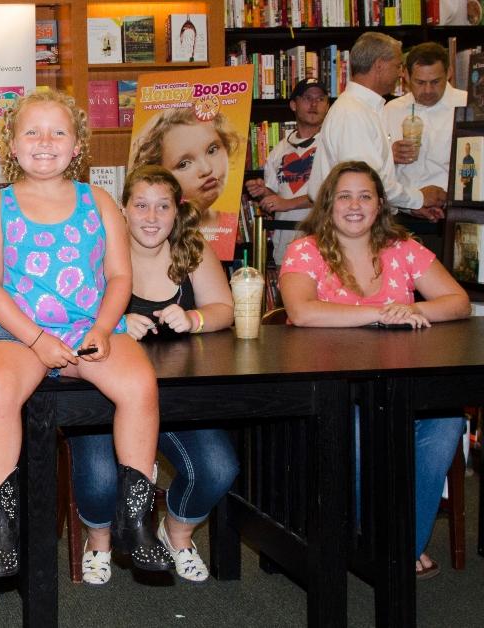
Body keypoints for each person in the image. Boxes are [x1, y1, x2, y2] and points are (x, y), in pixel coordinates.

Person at [0, 89, 170, 578]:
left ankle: (136, 517)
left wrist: (103, 327)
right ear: (11, 146)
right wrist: (37, 340)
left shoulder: (98, 201)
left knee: (141, 385)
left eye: (58, 131)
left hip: (88, 327)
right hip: (17, 332)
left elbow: (121, 276)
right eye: (32, 131)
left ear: (77, 144)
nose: (45, 141)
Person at [279, 160, 470, 580]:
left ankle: (398, 545)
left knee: (446, 423)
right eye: (344, 195)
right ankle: (383, 541)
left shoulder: (404, 248)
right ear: (328, 204)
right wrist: (380, 314)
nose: (354, 205)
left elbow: (457, 302)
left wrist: (413, 308)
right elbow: (302, 312)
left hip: (402, 386)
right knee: (362, 434)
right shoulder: (304, 250)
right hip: (334, 391)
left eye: (365, 196)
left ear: (380, 204)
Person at [68, 165, 236, 585]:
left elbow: (224, 309)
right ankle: (99, 541)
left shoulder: (191, 248)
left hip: (174, 398)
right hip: (100, 394)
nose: (151, 216)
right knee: (102, 478)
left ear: (177, 213)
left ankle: (176, 534)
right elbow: (69, 316)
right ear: (122, 210)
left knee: (218, 467)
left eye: (163, 206)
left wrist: (194, 317)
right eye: (140, 205)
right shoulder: (99, 249)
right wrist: (117, 322)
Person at [308, 32, 446, 220]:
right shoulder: (353, 112)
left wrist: (409, 207)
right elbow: (368, 183)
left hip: (355, 222)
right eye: (398, 66)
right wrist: (419, 198)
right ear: (379, 65)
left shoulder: (363, 108)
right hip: (349, 225)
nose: (400, 73)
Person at [245, 78, 330, 266]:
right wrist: (264, 192)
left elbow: (333, 194)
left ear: (327, 105)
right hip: (287, 242)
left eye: (321, 99)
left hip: (324, 241)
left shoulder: (332, 143)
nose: (314, 104)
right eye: (307, 98)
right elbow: (277, 197)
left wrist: (288, 204)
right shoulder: (279, 150)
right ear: (293, 104)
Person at [128, 107, 242, 241]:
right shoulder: (154, 233)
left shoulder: (233, 226)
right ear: (158, 176)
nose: (206, 169)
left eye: (212, 150)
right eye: (184, 164)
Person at [383, 43, 467, 217]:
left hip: (455, 213)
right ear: (405, 75)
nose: (428, 90)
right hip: (403, 215)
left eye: (435, 82)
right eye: (420, 82)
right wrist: (388, 156)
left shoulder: (469, 105)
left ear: (449, 73)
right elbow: (373, 169)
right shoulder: (390, 110)